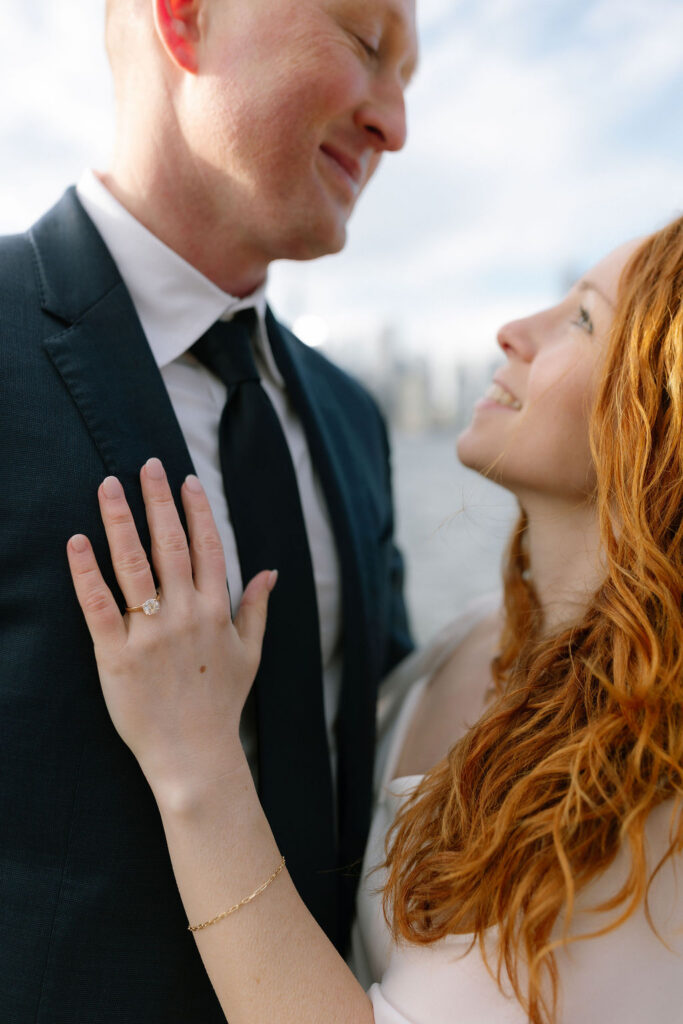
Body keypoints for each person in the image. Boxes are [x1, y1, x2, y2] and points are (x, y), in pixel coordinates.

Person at [69, 213, 683, 1024]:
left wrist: (195, 758)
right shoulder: (469, 635)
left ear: (662, 420)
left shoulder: (650, 773)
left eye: (580, 318)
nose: (511, 331)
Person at [0, 0, 418, 1018]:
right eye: (367, 48)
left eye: (407, 81)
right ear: (183, 19)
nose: (395, 125)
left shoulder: (353, 420)